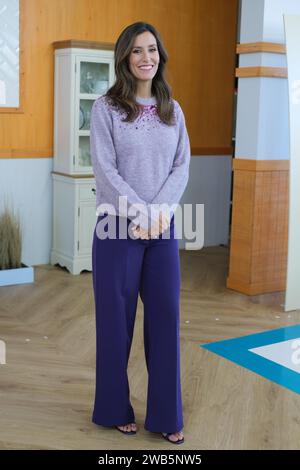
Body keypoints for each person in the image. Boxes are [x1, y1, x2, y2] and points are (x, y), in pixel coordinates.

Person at [90, 21, 191, 445]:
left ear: (160, 56)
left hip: (162, 229)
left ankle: (167, 415)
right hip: (116, 227)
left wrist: (158, 214)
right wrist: (140, 213)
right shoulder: (105, 108)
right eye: (137, 51)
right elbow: (105, 170)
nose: (146, 57)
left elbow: (181, 166)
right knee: (116, 324)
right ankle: (114, 409)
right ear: (124, 58)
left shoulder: (174, 110)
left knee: (165, 320)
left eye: (152, 49)